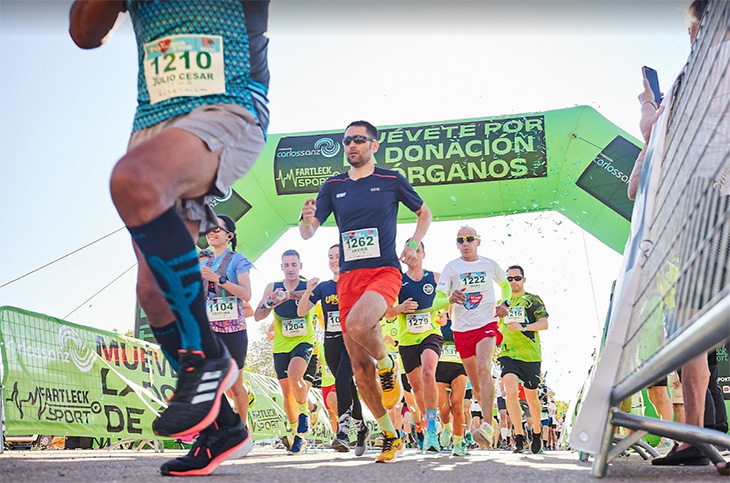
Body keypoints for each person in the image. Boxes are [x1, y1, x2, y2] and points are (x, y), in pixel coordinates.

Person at [69, 0, 269, 476]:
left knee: (131, 180)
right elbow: (84, 32)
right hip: (154, 122)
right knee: (152, 295)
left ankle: (207, 356)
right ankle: (221, 428)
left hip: (229, 104)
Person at [628, 1, 729, 473]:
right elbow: (635, 185)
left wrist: (647, 103)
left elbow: (651, 132)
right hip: (702, 207)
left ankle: (694, 440)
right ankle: (693, 440)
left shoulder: (693, 74)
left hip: (707, 204)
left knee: (691, 333)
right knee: (690, 333)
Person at [299, 120, 432, 463]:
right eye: (346, 141)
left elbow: (424, 212)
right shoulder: (334, 185)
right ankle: (389, 434)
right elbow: (309, 232)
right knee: (359, 368)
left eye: (358, 140)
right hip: (348, 278)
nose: (351, 145)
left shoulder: (389, 180)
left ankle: (389, 364)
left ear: (374, 144)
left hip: (384, 271)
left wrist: (415, 241)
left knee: (359, 325)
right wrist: (306, 220)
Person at [435, 226, 511, 448]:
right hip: (462, 330)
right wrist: (450, 299)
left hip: (487, 323)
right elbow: (436, 301)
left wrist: (505, 303)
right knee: (476, 386)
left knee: (482, 366)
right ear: (457, 244)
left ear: (479, 241)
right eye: (460, 240)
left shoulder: (489, 264)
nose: (465, 243)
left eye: (469, 239)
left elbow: (505, 285)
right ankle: (489, 420)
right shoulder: (451, 268)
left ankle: (487, 425)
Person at [298, 244, 370, 455]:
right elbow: (301, 311)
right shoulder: (324, 287)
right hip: (331, 343)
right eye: (330, 256)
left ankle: (342, 433)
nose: (333, 260)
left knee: (341, 381)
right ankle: (362, 429)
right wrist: (309, 290)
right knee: (347, 386)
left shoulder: (356, 283)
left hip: (353, 342)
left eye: (338, 256)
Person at [386, 240, 444, 453]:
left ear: (424, 254)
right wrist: (401, 308)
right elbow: (387, 312)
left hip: (431, 334)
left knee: (429, 373)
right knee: (417, 389)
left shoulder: (436, 278)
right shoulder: (397, 281)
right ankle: (429, 422)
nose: (414, 255)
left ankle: (431, 430)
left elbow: (448, 301)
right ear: (404, 256)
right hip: (408, 340)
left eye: (417, 251)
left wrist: (448, 313)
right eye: (409, 252)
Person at [254, 250, 314, 455]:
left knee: (295, 375)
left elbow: (318, 290)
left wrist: (288, 296)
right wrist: (271, 302)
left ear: (300, 266)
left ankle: (304, 414)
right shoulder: (273, 287)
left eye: (294, 265)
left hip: (303, 340)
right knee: (287, 393)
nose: (290, 269)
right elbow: (257, 316)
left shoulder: (308, 285)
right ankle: (298, 436)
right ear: (281, 267)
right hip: (281, 345)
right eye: (286, 265)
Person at [200, 215, 253, 425]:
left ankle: (242, 428)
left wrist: (219, 279)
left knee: (235, 386)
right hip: (210, 331)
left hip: (234, 330)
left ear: (229, 235)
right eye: (209, 228)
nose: (211, 232)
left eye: (217, 229)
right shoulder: (203, 262)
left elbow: (246, 294)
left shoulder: (238, 260)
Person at [497, 265, 549, 454]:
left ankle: (536, 433)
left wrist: (524, 326)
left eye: (516, 278)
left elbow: (544, 324)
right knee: (510, 390)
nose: (513, 282)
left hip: (530, 355)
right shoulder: (501, 303)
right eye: (509, 279)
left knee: (531, 397)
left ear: (523, 280)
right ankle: (518, 437)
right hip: (508, 354)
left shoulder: (533, 300)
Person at [435, 313, 470, 456]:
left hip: (459, 366)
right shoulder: (436, 317)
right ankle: (447, 427)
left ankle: (457, 443)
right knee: (443, 408)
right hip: (440, 367)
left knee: (457, 405)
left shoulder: (464, 318)